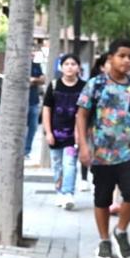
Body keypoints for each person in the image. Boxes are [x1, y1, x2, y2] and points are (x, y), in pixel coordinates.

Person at [76, 38, 130, 258]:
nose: (127, 60)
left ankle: (121, 230)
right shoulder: (96, 84)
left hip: (129, 151)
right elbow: (82, 114)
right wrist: (84, 146)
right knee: (102, 198)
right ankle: (104, 240)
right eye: (122, 55)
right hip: (101, 154)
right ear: (110, 58)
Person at [41, 53, 87, 208]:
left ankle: (68, 193)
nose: (70, 67)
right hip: (55, 133)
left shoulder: (83, 87)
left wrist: (80, 134)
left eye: (73, 64)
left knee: (70, 163)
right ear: (61, 67)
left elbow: (83, 112)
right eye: (66, 64)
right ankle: (59, 192)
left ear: (78, 68)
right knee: (57, 164)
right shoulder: (54, 86)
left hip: (73, 135)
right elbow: (47, 110)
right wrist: (48, 132)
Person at [24, 56, 46, 156]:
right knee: (22, 128)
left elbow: (42, 80)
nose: (31, 55)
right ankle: (20, 149)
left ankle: (27, 150)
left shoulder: (36, 66)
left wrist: (33, 80)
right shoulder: (21, 65)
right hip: (21, 104)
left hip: (34, 102)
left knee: (33, 127)